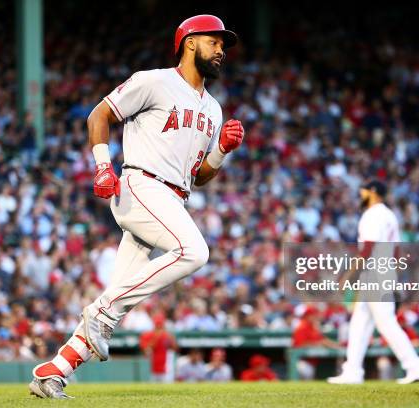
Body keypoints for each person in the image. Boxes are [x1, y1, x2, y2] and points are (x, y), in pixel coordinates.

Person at [29, 14, 243, 399]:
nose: (221, 49)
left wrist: (223, 152)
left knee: (122, 293)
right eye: (214, 41)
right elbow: (101, 114)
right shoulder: (154, 81)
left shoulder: (213, 109)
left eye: (223, 44)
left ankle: (53, 371)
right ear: (190, 43)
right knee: (194, 252)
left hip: (172, 197)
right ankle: (101, 310)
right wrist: (101, 166)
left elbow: (200, 176)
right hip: (141, 184)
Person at [327, 181, 419, 385]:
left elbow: (368, 249)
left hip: (375, 272)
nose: (361, 195)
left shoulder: (373, 214)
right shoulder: (389, 214)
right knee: (359, 323)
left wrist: (348, 275)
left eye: (363, 191)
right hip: (381, 271)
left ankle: (416, 366)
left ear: (373, 192)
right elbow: (396, 251)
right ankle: (353, 371)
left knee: (385, 323)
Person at [292, 305, 338, 380]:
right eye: (313, 315)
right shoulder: (301, 327)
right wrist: (319, 344)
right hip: (301, 361)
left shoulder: (313, 327)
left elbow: (322, 340)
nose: (315, 317)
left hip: (313, 362)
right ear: (307, 316)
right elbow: (299, 346)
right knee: (305, 371)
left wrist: (334, 344)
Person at [140, 313, 177, 383]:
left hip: (165, 370)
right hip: (151, 370)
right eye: (157, 325)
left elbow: (175, 348)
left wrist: (170, 337)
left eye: (160, 325)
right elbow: (146, 351)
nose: (159, 327)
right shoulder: (148, 335)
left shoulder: (167, 335)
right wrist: (157, 337)